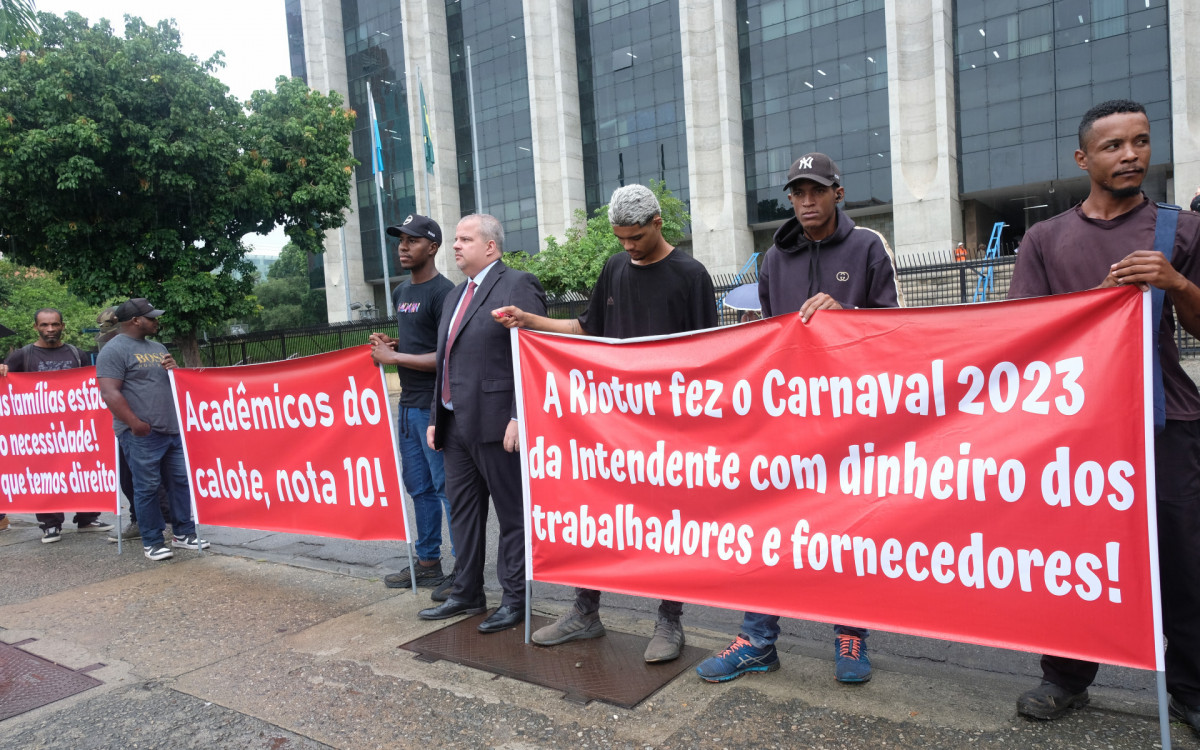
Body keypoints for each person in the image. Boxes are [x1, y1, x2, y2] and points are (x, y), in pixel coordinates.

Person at [1007, 99, 1200, 737]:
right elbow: (1018, 338)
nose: (1131, 156)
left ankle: (1191, 690)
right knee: (1076, 556)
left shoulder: (1182, 231)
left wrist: (1176, 282)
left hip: (1165, 422)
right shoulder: (1044, 239)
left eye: (1141, 142)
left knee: (1183, 560)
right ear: (1082, 158)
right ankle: (1066, 677)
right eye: (1114, 146)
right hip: (1076, 427)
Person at [695, 152, 902, 684]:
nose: (806, 201)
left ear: (838, 192)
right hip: (787, 420)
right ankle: (758, 640)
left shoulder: (868, 247)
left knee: (849, 530)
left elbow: (901, 334)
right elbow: (768, 339)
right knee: (772, 527)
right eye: (797, 192)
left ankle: (850, 633)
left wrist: (847, 320)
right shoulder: (773, 259)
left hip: (853, 421)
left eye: (816, 190)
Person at [493, 183, 718, 663]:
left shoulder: (690, 274)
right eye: (620, 238)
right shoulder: (614, 266)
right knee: (599, 515)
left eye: (635, 237)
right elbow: (585, 328)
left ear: (658, 223)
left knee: (668, 525)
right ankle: (585, 610)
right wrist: (529, 320)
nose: (628, 247)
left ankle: (669, 619)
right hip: (611, 424)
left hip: (668, 430)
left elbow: (711, 357)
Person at [417, 215, 547, 634]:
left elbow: (533, 354)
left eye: (464, 239)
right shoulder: (455, 297)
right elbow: (446, 363)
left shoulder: (517, 284)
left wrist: (518, 416)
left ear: (490, 246)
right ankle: (467, 591)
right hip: (456, 427)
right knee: (464, 514)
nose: (455, 246)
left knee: (512, 516)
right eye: (455, 239)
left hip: (498, 425)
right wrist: (438, 417)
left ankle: (514, 599)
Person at [369, 214, 457, 600]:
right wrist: (394, 346)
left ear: (433, 247)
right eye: (400, 240)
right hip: (407, 407)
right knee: (418, 488)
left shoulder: (445, 292)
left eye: (413, 240)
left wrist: (394, 360)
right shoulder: (402, 293)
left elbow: (446, 356)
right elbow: (419, 344)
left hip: (433, 408)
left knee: (445, 489)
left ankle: (464, 568)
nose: (403, 247)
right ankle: (428, 563)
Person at [96, 298, 209, 562]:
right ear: (136, 321)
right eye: (152, 317)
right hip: (141, 433)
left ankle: (183, 533)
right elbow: (110, 393)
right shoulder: (113, 350)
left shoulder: (157, 347)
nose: (157, 321)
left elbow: (169, 384)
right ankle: (153, 540)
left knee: (180, 484)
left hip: (171, 429)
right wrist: (135, 423)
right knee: (146, 487)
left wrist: (175, 370)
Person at [0, 308, 113, 542]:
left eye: (54, 324)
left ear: (62, 326)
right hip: (39, 434)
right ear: (36, 328)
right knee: (44, 476)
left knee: (84, 469)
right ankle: (50, 524)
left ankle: (87, 518)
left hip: (76, 429)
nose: (49, 329)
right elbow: (7, 385)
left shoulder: (76, 353)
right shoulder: (22, 355)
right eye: (44, 325)